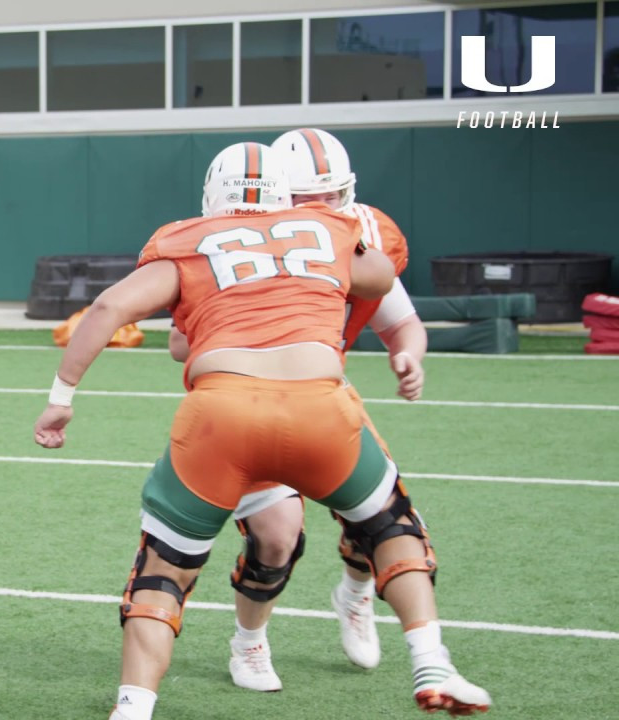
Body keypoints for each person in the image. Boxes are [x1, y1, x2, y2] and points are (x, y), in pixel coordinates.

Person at [34, 142, 490, 719]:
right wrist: (331, 253)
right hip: (321, 411)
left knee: (164, 571)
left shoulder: (183, 239)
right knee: (390, 523)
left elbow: (107, 309)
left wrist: (61, 399)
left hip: (221, 417)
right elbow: (378, 277)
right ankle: (431, 660)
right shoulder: (328, 228)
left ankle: (133, 709)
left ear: (210, 198)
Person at [166, 127, 428, 691]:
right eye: (306, 199)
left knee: (378, 526)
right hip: (241, 400)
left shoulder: (362, 237)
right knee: (277, 536)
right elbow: (180, 344)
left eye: (331, 197)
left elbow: (401, 320)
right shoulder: (232, 233)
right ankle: (250, 641)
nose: (321, 210)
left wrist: (409, 356)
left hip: (321, 400)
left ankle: (356, 593)